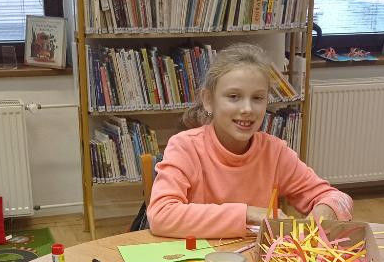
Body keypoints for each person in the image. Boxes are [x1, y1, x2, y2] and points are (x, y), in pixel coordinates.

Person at [148, 43, 353, 238]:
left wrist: (324, 211)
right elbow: (161, 215)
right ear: (209, 101)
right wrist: (248, 213)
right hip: (199, 259)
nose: (247, 109)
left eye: (257, 98)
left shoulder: (275, 152)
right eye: (234, 96)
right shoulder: (185, 147)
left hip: (254, 259)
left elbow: (338, 198)